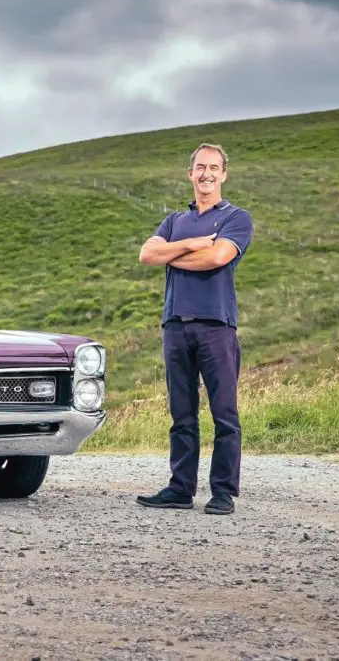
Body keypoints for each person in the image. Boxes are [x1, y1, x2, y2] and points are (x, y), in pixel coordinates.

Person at [135, 143, 253, 516]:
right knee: (181, 414)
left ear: (224, 174)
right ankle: (180, 488)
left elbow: (218, 257)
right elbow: (147, 255)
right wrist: (190, 244)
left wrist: (173, 252)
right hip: (175, 325)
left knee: (224, 414)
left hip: (216, 326)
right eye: (200, 167)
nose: (206, 174)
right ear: (190, 174)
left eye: (213, 168)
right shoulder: (174, 221)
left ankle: (222, 492)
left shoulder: (237, 217)